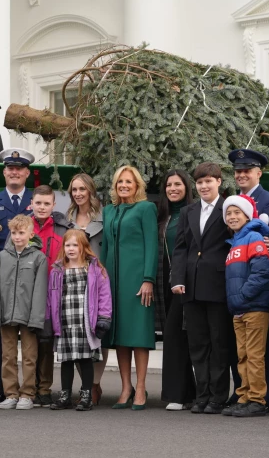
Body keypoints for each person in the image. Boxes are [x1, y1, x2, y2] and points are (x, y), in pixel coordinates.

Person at [171, 162, 232, 414]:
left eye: (209, 180)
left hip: (218, 285)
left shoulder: (229, 207)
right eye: (200, 182)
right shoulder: (189, 211)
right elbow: (181, 248)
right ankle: (202, 395)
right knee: (198, 345)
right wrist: (177, 278)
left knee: (219, 344)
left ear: (219, 181)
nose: (204, 185)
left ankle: (218, 397)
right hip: (191, 287)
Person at [229, 148, 269, 412]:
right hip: (237, 287)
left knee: (260, 350)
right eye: (238, 171)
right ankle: (244, 393)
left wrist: (262, 283)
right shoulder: (232, 203)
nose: (241, 175)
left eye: (246, 171)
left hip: (259, 288)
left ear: (258, 173)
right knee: (242, 351)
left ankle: (264, 398)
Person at [101, 165, 158, 411]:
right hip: (113, 281)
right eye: (120, 182)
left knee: (138, 335)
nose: (124, 185)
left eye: (129, 182)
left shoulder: (146, 208)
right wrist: (101, 279)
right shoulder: (108, 211)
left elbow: (151, 244)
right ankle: (126, 388)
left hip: (137, 280)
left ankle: (142, 386)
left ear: (137, 186)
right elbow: (105, 247)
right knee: (121, 336)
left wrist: (148, 279)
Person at [0, 147, 35, 405]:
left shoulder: (37, 201)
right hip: (0, 280)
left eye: (18, 169)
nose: (14, 172)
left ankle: (32, 390)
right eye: (9, 169)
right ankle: (1, 389)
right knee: (3, 339)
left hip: (29, 279)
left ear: (27, 173)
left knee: (30, 339)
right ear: (4, 173)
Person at [46, 229, 112, 411]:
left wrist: (104, 318)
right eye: (68, 245)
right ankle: (65, 395)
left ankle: (86, 396)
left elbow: (104, 295)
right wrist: (48, 319)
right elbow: (50, 298)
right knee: (66, 360)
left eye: (75, 245)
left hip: (85, 322)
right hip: (65, 321)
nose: (71, 249)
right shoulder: (57, 270)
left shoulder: (95, 269)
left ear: (84, 247)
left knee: (85, 359)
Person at [0, 215, 48, 410]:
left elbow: (40, 291)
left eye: (21, 233)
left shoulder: (39, 258)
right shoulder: (1, 258)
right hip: (6, 315)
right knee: (8, 356)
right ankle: (11, 393)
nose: (17, 237)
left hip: (29, 316)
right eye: (14, 233)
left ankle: (27, 394)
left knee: (30, 356)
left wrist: (36, 318)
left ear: (31, 234)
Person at [222, 195, 269, 417]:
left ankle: (257, 400)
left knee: (254, 355)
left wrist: (242, 297)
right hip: (239, 309)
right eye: (229, 213)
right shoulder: (234, 243)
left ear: (247, 215)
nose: (232, 217)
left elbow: (262, 272)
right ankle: (243, 396)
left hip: (254, 307)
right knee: (242, 355)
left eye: (237, 212)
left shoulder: (254, 237)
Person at [60, 173, 107, 405]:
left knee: (96, 337)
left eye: (82, 189)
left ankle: (93, 385)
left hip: (97, 280)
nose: (78, 194)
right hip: (73, 282)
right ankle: (79, 389)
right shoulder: (67, 218)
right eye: (74, 190)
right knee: (74, 342)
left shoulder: (103, 215)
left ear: (90, 190)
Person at [155, 169, 196, 411]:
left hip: (188, 282)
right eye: (169, 185)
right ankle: (182, 393)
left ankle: (184, 394)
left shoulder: (192, 214)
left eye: (178, 184)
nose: (173, 189)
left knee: (184, 337)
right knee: (174, 337)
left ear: (186, 187)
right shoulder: (163, 217)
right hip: (166, 284)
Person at [30, 185, 70, 408]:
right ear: (32, 204)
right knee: (29, 343)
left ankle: (44, 389)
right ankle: (28, 387)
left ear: (54, 205)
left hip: (52, 294)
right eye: (39, 203)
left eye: (47, 203)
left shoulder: (63, 229)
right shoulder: (24, 227)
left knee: (45, 342)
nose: (43, 207)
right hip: (29, 293)